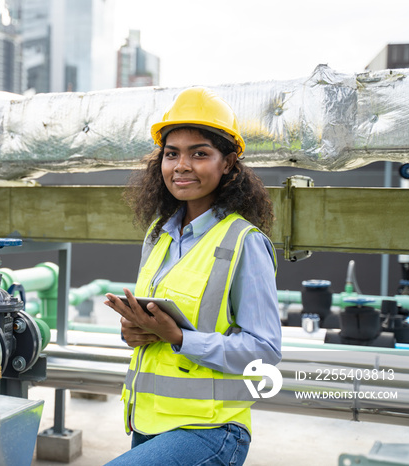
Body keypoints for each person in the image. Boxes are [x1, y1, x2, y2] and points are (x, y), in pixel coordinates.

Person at [104, 87, 282, 466]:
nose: (181, 165)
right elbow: (156, 326)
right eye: (172, 154)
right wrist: (133, 332)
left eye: (199, 153)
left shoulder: (244, 242)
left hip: (211, 429)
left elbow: (264, 353)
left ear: (228, 163)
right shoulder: (159, 235)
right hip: (148, 422)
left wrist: (180, 337)